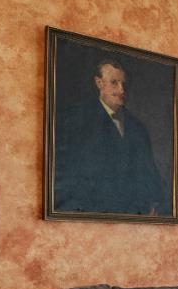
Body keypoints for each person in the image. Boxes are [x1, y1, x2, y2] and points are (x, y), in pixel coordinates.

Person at [52, 59, 166, 215]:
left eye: (123, 84)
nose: (121, 89)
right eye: (114, 82)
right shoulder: (77, 120)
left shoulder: (138, 128)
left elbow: (149, 174)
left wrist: (153, 205)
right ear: (99, 83)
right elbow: (66, 175)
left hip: (133, 216)